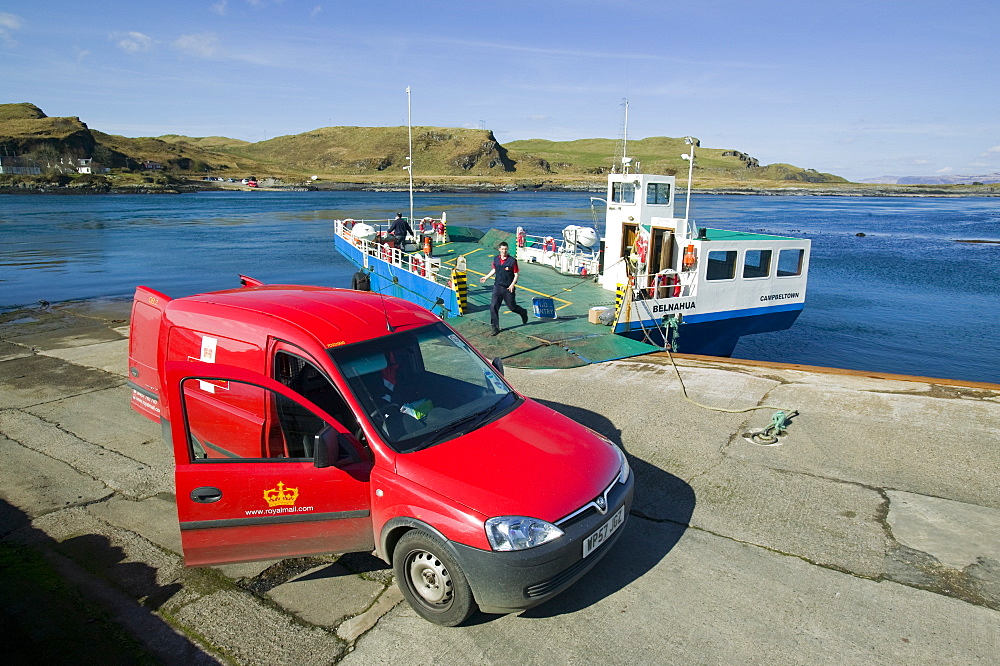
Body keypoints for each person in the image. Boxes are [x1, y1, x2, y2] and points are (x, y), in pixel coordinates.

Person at [480, 241, 529, 336]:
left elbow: (516, 274)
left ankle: (523, 312)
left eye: (505, 249)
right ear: (499, 249)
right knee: (493, 307)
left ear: (507, 249)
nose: (504, 251)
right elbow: (495, 269)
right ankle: (495, 327)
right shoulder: (496, 259)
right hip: (497, 287)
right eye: (502, 249)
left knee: (512, 307)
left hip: (508, 288)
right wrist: (486, 277)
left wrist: (512, 284)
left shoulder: (512, 261)